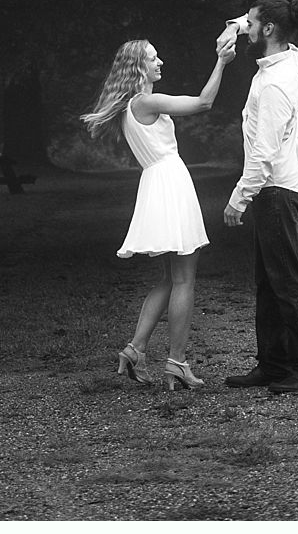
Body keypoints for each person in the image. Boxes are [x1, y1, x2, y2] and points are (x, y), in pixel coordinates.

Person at [81, 27, 237, 391]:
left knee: (168, 279)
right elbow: (203, 104)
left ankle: (136, 350)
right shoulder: (144, 102)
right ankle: (177, 363)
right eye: (153, 57)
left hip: (157, 184)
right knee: (184, 278)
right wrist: (222, 61)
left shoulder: (129, 108)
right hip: (169, 183)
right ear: (139, 67)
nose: (160, 61)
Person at [222, 0, 298, 395]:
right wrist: (237, 25)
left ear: (268, 29)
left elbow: (263, 154)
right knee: (268, 282)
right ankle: (274, 363)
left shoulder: (275, 84)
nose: (245, 27)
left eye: (251, 23)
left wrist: (239, 198)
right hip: (277, 188)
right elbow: (257, 25)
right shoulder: (287, 60)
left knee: (286, 282)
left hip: (275, 190)